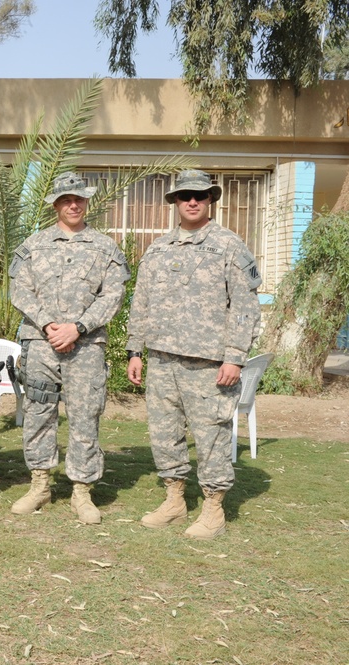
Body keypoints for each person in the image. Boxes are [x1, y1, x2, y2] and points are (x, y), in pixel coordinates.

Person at [127, 169, 261, 540]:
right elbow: (142, 303)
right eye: (185, 195)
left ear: (209, 200)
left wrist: (234, 357)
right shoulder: (158, 250)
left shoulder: (230, 246)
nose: (191, 201)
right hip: (163, 360)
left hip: (209, 365)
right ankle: (174, 499)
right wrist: (134, 350)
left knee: (212, 436)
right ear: (174, 202)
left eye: (199, 196)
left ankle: (214, 508)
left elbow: (246, 307)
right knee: (164, 433)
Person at [8, 172, 129, 524]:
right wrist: (48, 325)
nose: (72, 204)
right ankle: (40, 485)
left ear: (86, 202)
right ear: (56, 205)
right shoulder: (34, 245)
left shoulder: (105, 247)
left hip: (87, 346)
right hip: (41, 344)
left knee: (84, 415)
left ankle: (81, 491)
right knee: (38, 412)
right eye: (65, 199)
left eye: (78, 199)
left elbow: (114, 294)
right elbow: (20, 291)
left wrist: (78, 327)